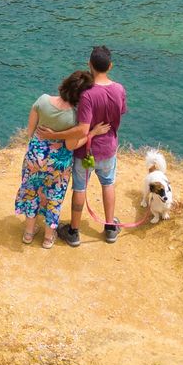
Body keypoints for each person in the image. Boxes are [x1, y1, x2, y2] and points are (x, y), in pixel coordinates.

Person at [15, 68, 104, 247]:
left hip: (35, 156)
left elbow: (30, 131)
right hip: (58, 164)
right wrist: (92, 134)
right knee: (54, 196)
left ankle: (28, 233)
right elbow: (71, 145)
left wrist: (40, 143)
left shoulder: (42, 100)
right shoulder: (73, 117)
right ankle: (48, 238)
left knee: (31, 191)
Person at [62, 45, 127, 246]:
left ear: (89, 65)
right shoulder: (119, 89)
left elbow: (83, 128)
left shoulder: (87, 95)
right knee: (108, 183)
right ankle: (109, 228)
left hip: (85, 150)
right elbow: (121, 112)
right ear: (110, 66)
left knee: (80, 188)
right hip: (108, 149)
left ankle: (73, 231)